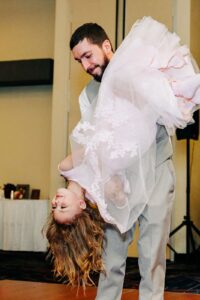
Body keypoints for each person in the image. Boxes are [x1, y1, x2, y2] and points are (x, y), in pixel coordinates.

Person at [45, 17, 200, 300]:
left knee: (152, 253)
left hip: (156, 170)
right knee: (112, 257)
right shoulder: (88, 95)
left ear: (106, 45)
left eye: (88, 56)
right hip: (117, 184)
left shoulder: (140, 69)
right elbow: (94, 145)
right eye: (79, 61)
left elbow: (167, 113)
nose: (86, 66)